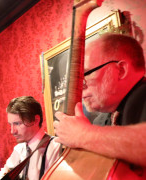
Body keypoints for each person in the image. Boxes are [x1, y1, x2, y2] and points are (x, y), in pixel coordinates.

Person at [53, 33, 146, 166]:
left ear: (121, 70)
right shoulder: (101, 120)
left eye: (85, 74)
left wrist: (83, 135)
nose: (80, 86)